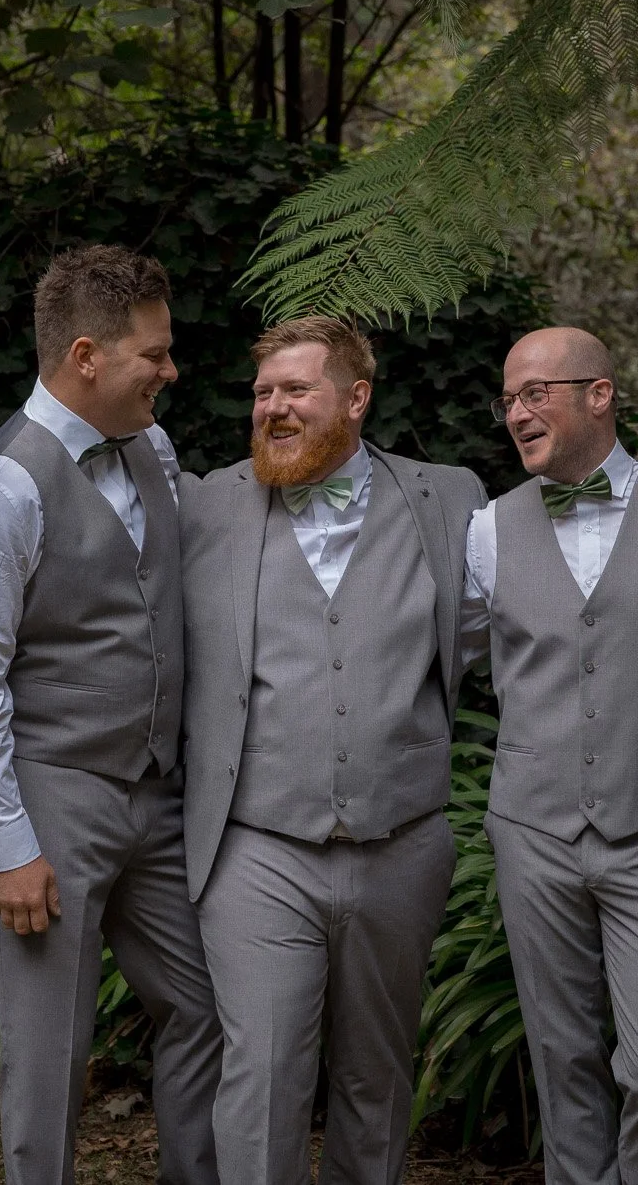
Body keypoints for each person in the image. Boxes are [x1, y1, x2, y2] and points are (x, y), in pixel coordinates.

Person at [177, 316, 488, 1185]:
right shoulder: (206, 504)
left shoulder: (449, 499)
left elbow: (496, 632)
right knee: (265, 1073)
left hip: (403, 843)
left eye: (295, 391)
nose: (272, 408)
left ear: (356, 397)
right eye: (263, 392)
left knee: (376, 1077)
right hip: (257, 845)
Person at [0, 244, 221, 1185]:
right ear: (88, 355)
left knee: (206, 1005)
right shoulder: (2, 483)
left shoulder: (157, 450)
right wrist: (7, 842)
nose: (171, 371)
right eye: (156, 354)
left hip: (158, 796)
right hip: (51, 799)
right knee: (48, 1048)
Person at [466, 326, 638, 1185]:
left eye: (535, 392)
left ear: (600, 393)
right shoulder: (487, 529)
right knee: (563, 1059)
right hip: (530, 828)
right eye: (507, 399)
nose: (516, 412)